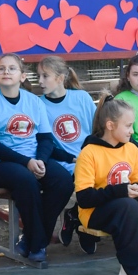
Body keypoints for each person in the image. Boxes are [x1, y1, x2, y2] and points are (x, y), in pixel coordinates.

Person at [0, 54, 74, 263]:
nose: (6, 72)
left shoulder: (34, 102)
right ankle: (38, 245)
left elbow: (46, 139)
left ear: (22, 76)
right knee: (26, 180)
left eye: (12, 68)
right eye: (1, 68)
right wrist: (27, 163)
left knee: (63, 181)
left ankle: (30, 238)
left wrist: (40, 161)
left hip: (32, 160)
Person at [74, 96, 138, 275]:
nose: (132, 131)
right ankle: (130, 274)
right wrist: (121, 190)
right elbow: (84, 198)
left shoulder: (132, 149)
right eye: (128, 125)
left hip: (124, 209)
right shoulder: (89, 153)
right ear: (110, 125)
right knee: (128, 205)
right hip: (94, 213)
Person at [37, 55, 95, 246]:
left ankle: (78, 218)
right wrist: (71, 159)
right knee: (83, 182)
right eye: (38, 76)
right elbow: (44, 143)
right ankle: (79, 221)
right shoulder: (38, 105)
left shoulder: (82, 98)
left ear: (60, 78)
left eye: (45, 76)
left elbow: (97, 130)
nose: (40, 81)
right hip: (64, 164)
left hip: (89, 159)